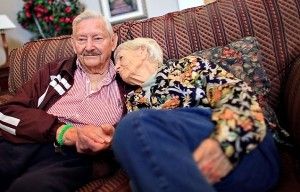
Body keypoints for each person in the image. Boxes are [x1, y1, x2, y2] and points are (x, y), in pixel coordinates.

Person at [112, 38, 280, 192]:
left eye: (120, 58)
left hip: (243, 149)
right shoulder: (133, 101)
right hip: (192, 173)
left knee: (132, 125)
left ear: (141, 51)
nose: (116, 67)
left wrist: (225, 142)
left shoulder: (187, 66)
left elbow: (235, 94)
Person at [0, 10, 125, 192]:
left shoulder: (128, 80)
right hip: (29, 141)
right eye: (81, 39)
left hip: (75, 158)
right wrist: (65, 132)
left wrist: (110, 141)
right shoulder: (53, 72)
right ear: (74, 44)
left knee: (29, 188)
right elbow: (6, 112)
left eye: (97, 38)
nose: (89, 46)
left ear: (113, 41)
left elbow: (138, 131)